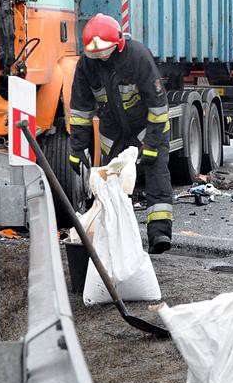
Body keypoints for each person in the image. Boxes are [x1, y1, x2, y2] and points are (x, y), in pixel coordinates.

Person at [68, 13, 174, 254]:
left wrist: (152, 145)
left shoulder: (137, 57)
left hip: (148, 128)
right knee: (112, 183)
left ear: (119, 44)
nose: (101, 57)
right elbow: (80, 111)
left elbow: (158, 107)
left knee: (156, 174)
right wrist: (77, 149)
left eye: (105, 51)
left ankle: (159, 234)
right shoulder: (86, 65)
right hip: (113, 133)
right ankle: (119, 238)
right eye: (95, 53)